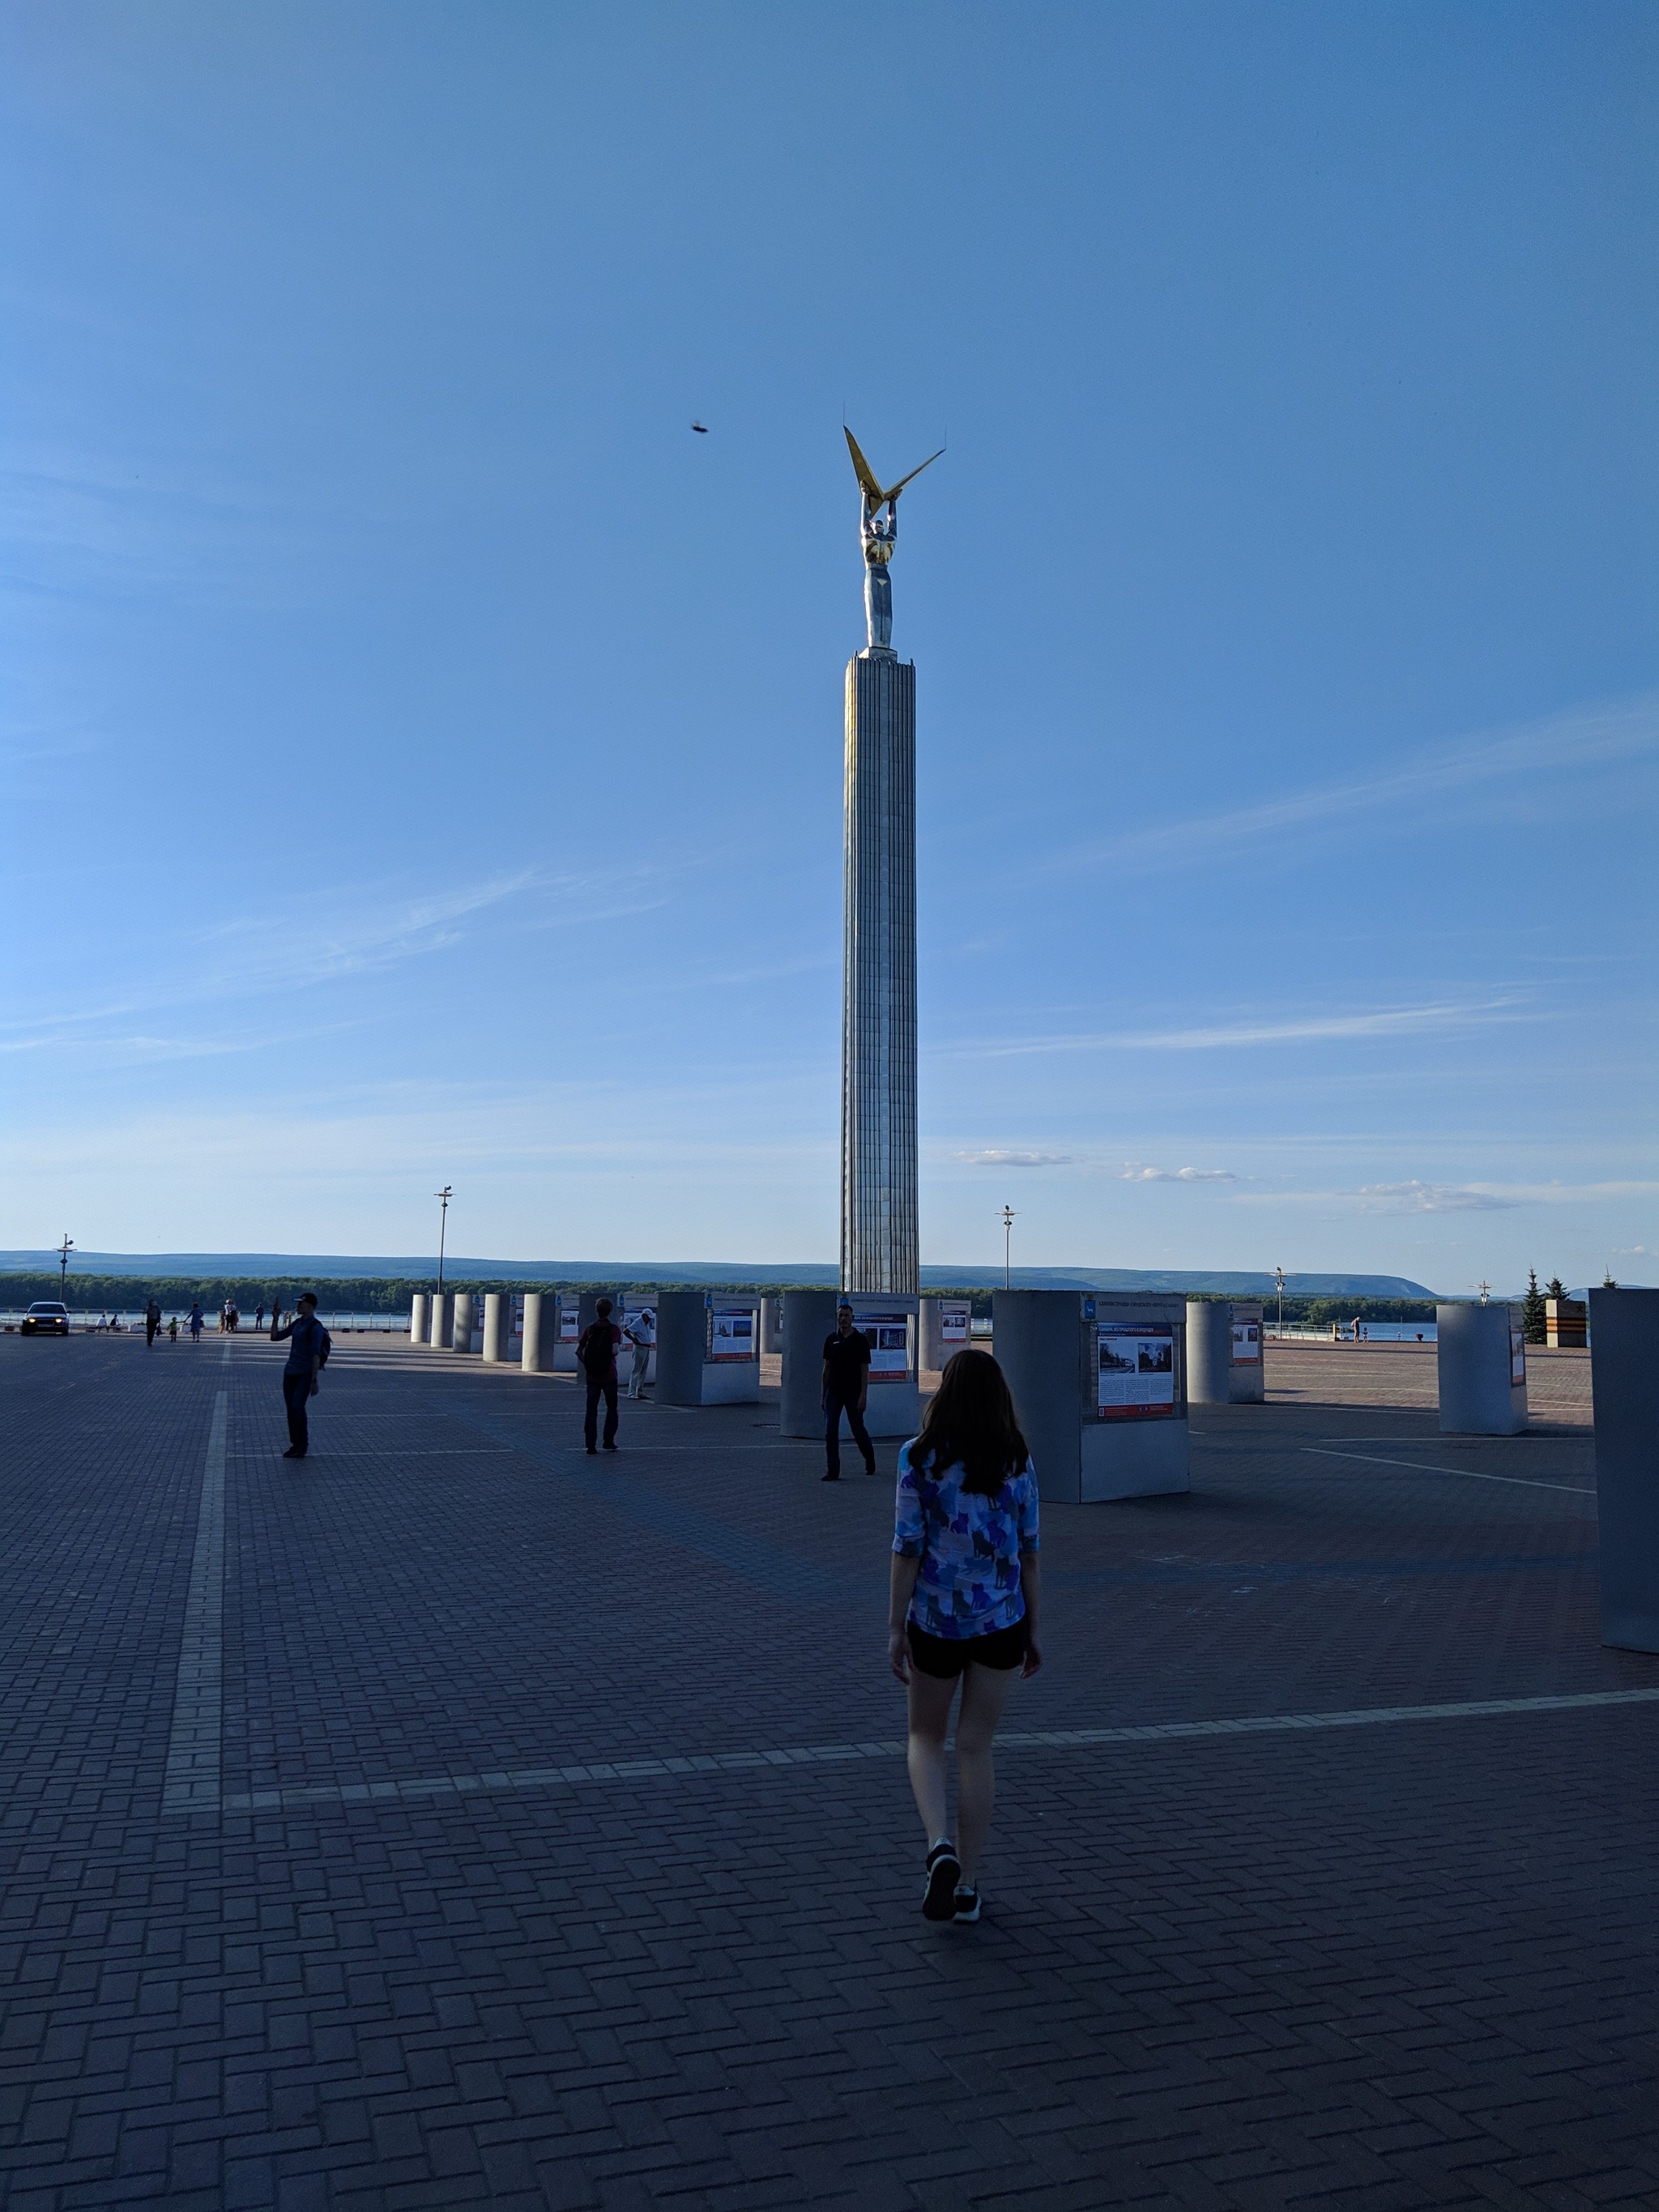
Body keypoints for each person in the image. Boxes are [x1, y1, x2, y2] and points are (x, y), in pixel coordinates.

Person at [888, 1349, 1042, 1925]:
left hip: (935, 1622)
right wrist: (1036, 1630)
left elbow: (906, 1550)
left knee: (925, 1738)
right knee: (976, 1746)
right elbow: (1030, 1555)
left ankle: (938, 1845)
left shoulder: (917, 1458)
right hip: (1002, 1622)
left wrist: (893, 1627)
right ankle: (969, 1885)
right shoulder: (1018, 1461)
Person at [271, 1292, 331, 1459]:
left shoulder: (315, 1327)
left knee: (298, 1407)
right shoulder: (298, 1324)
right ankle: (295, 1444)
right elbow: (275, 1337)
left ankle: (302, 1445)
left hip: (304, 1374)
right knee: (291, 1409)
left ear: (310, 1306)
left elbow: (316, 1354)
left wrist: (314, 1379)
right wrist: (276, 1318)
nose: (297, 1306)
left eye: (301, 1304)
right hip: (290, 1372)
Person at [821, 1302, 876, 1481]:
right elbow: (827, 1368)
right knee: (830, 1431)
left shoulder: (860, 1341)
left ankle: (869, 1458)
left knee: (857, 1429)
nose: (843, 1319)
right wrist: (823, 1394)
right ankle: (833, 1470)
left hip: (853, 1392)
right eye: (840, 1315)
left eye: (846, 1315)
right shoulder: (831, 1340)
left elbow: (864, 1370)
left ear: (852, 1318)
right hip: (834, 1391)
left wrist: (863, 1396)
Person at [578, 1297, 623, 1454]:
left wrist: (588, 1365)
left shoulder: (590, 1329)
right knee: (612, 1408)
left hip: (592, 1376)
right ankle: (608, 1441)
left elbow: (579, 1350)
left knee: (591, 1410)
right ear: (610, 1311)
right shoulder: (614, 1329)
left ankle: (590, 1444)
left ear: (597, 1310)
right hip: (609, 1375)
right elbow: (615, 1350)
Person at [625, 1305, 655, 1400]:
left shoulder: (645, 1324)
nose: (649, 1320)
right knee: (637, 1371)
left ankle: (639, 1392)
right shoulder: (638, 1322)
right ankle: (632, 1393)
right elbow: (626, 1331)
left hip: (645, 1348)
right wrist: (634, 1340)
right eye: (648, 1318)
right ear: (644, 1316)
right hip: (640, 1347)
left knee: (643, 1371)